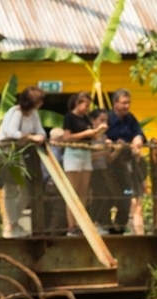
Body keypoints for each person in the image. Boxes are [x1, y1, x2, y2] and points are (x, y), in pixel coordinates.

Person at [0, 86, 46, 238]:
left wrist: (38, 136)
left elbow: (40, 131)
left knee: (26, 189)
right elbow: (11, 132)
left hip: (19, 152)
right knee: (10, 188)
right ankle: (12, 226)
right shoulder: (15, 112)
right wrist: (30, 137)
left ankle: (12, 222)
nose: (41, 104)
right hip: (5, 151)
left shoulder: (34, 114)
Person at [62, 92, 106, 236]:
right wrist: (86, 133)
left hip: (85, 154)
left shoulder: (86, 118)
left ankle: (81, 223)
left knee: (83, 192)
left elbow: (92, 137)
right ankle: (71, 226)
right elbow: (67, 137)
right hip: (73, 155)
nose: (87, 108)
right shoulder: (69, 117)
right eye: (85, 105)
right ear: (77, 103)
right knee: (72, 192)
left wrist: (98, 132)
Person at [105, 88, 146, 235]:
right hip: (109, 165)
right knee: (109, 197)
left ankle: (120, 227)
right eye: (123, 103)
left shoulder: (130, 118)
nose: (127, 106)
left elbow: (139, 133)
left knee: (128, 197)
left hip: (128, 165)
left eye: (128, 103)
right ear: (115, 103)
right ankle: (106, 225)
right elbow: (100, 136)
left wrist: (138, 138)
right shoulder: (107, 118)